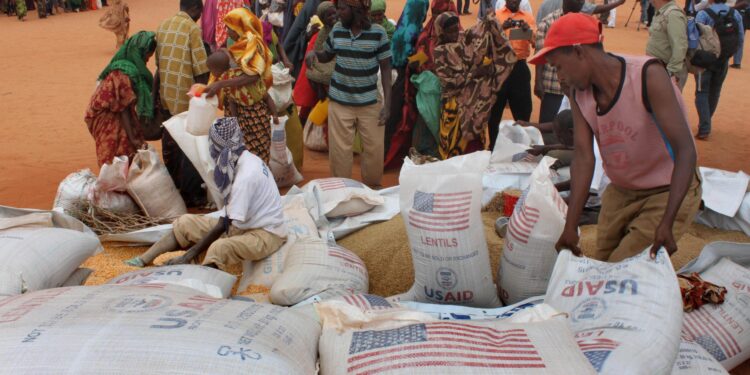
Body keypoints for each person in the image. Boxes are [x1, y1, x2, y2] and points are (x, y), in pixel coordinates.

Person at [530, 13, 702, 262]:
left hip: (665, 191)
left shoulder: (647, 76)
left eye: (558, 66)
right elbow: (584, 158)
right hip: (620, 192)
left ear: (579, 52)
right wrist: (571, 226)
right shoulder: (579, 94)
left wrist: (667, 221)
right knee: (601, 265)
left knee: (620, 269)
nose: (559, 77)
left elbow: (686, 151)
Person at [125, 118, 286, 270]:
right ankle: (143, 259)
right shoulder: (243, 159)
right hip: (244, 225)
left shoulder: (246, 175)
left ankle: (203, 286)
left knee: (219, 248)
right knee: (185, 222)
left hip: (267, 234)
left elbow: (224, 224)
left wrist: (188, 255)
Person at [306, 0, 392, 187]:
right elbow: (327, 55)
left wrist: (388, 105)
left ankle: (372, 190)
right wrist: (314, 54)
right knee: (340, 152)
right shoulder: (337, 30)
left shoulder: (379, 34)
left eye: (342, 9)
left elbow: (386, 69)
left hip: (369, 102)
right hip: (340, 101)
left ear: (357, 10)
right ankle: (341, 190)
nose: (338, 13)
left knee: (374, 151)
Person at [433, 12, 516, 158]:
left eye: (456, 29)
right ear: (441, 31)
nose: (454, 34)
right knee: (454, 144)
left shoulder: (464, 39)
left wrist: (492, 24)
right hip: (453, 106)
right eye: (450, 31)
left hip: (474, 104)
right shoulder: (439, 52)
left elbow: (480, 35)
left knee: (474, 146)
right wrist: (474, 73)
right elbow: (448, 82)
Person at [155, 0, 210, 207]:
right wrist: (205, 96)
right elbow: (202, 69)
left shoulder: (162, 26)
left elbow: (159, 67)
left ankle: (174, 185)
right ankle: (192, 193)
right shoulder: (192, 29)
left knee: (172, 142)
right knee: (191, 145)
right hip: (187, 99)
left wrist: (157, 97)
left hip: (167, 96)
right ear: (195, 9)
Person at [205, 7, 276, 165]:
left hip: (252, 110)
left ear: (240, 27)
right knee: (236, 153)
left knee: (256, 155)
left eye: (229, 28)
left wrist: (221, 83)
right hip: (236, 106)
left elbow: (253, 75)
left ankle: (257, 184)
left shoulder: (253, 44)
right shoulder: (239, 45)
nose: (227, 32)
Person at [85, 31, 156, 167]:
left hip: (117, 111)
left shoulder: (131, 69)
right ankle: (114, 182)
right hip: (106, 114)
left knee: (131, 143)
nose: (147, 60)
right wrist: (132, 138)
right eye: (147, 55)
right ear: (139, 52)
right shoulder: (124, 72)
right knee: (116, 151)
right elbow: (123, 108)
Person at [694, 0, 744, 139]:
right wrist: (731, 54)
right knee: (715, 92)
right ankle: (706, 122)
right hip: (724, 59)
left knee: (701, 92)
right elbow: (740, 37)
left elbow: (695, 36)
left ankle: (704, 127)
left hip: (704, 59)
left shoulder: (704, 13)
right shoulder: (735, 14)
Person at [489, 0, 535, 149]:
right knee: (494, 113)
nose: (514, 1)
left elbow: (535, 41)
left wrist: (528, 31)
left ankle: (521, 148)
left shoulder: (528, 17)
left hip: (519, 68)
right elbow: (488, 41)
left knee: (523, 112)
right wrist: (502, 28)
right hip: (499, 68)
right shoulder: (496, 16)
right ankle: (493, 147)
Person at [646, 0, 689, 91]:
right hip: (657, 69)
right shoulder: (661, 11)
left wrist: (671, 73)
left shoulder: (673, 14)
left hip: (667, 72)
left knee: (664, 104)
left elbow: (680, 47)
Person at [306, 1, 337, 99]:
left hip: (338, 58)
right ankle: (320, 90)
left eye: (334, 13)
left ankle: (326, 91)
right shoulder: (323, 32)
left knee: (328, 73)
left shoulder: (341, 27)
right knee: (310, 70)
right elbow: (317, 50)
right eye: (329, 15)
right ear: (323, 19)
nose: (333, 16)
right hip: (326, 58)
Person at [731, 0, 748, 68]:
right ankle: (737, 62)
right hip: (740, 16)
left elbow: (745, 3)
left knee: (739, 39)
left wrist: (733, 7)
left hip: (741, 17)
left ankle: (737, 62)